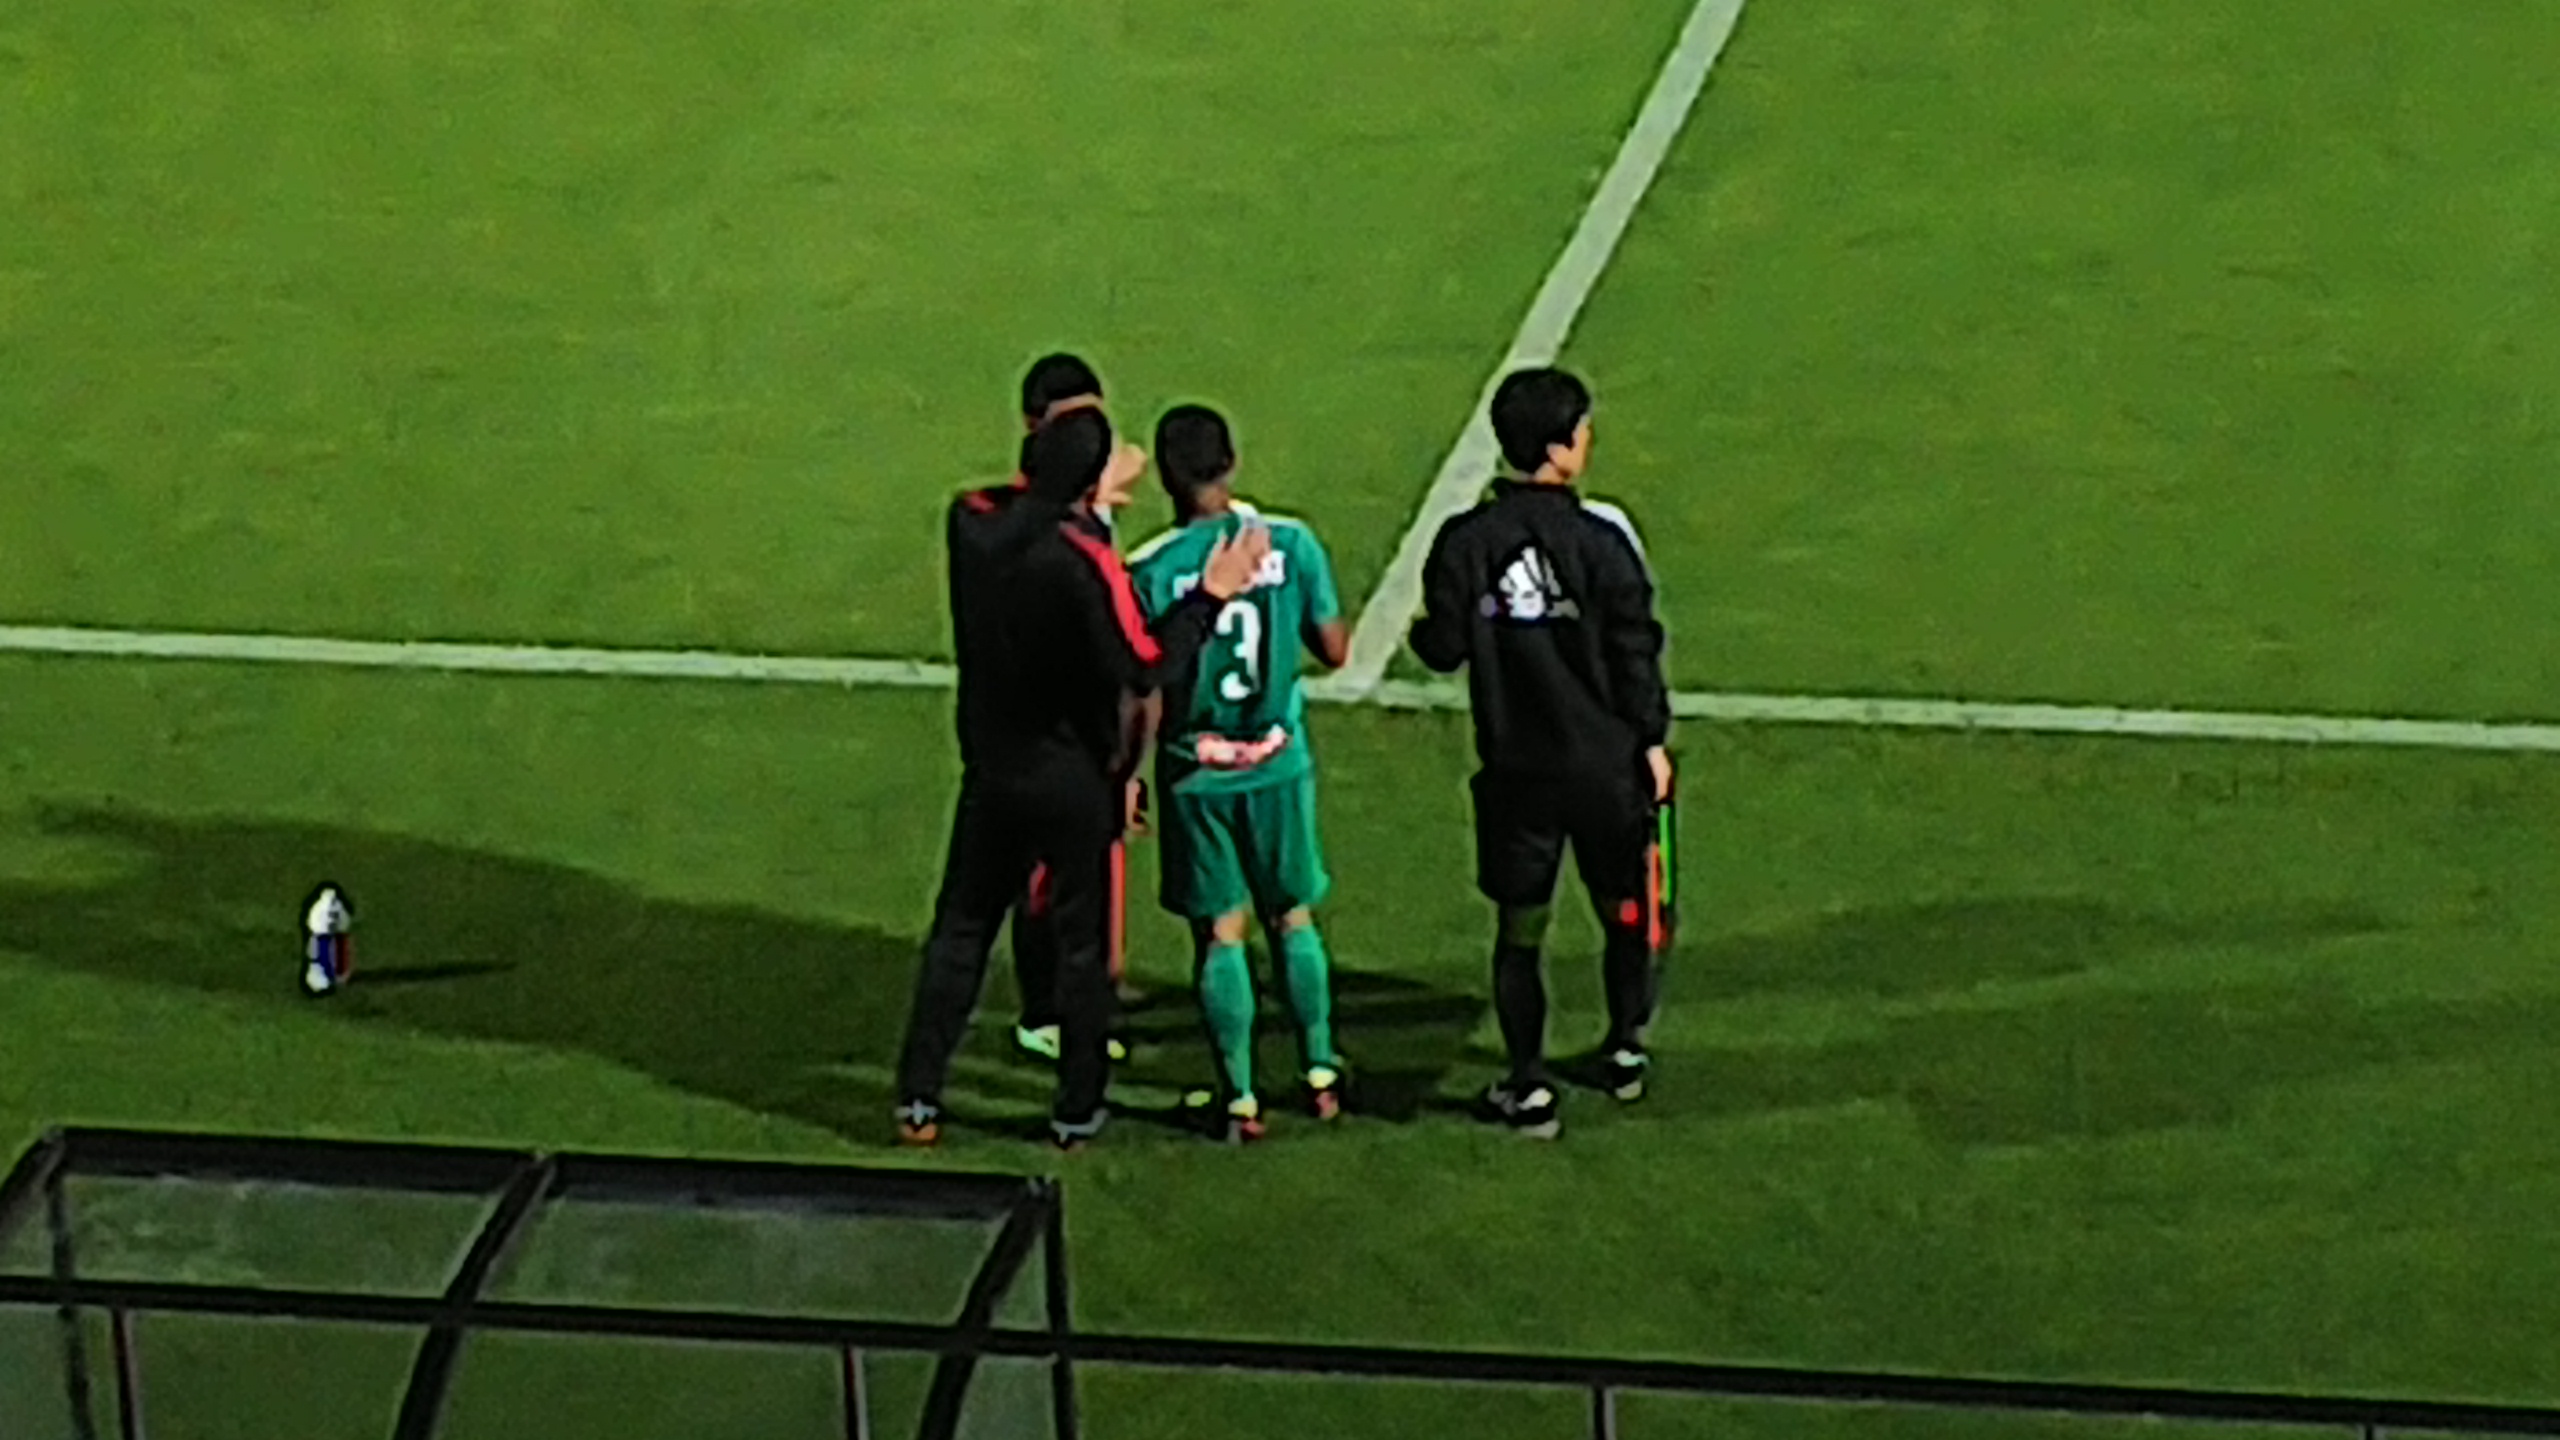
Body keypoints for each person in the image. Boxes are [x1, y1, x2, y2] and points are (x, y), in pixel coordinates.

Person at [898, 408, 1270, 1149]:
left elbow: (1018, 504)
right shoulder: (1081, 561)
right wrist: (1211, 593)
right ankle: (1076, 1106)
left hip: (993, 766)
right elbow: (1143, 663)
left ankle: (917, 1096)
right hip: (1072, 779)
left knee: (962, 929)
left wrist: (1083, 487)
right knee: (1083, 951)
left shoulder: (971, 522)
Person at [1408, 367, 1672, 1140]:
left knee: (1521, 931)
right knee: (1626, 911)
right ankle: (1624, 1049)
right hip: (1606, 769)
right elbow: (1634, 650)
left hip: (1519, 774)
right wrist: (1652, 738)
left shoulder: (1467, 543)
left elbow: (1441, 647)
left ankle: (1527, 1085)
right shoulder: (1603, 542)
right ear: (1558, 449)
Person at [1127, 405, 1349, 1142]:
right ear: (1232, 462)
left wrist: (1129, 770)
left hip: (1199, 773)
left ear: (1166, 476)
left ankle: (1241, 1098)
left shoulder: (1151, 570)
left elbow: (1148, 688)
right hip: (1278, 760)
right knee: (1292, 915)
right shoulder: (1290, 541)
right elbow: (1335, 648)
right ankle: (1320, 1073)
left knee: (1221, 932)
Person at [957, 353, 1127, 1064]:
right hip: (1049, 749)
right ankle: (1051, 1016)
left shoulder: (1003, 522)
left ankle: (1066, 1010)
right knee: (1047, 889)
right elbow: (1124, 660)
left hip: (1026, 744)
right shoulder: (1036, 534)